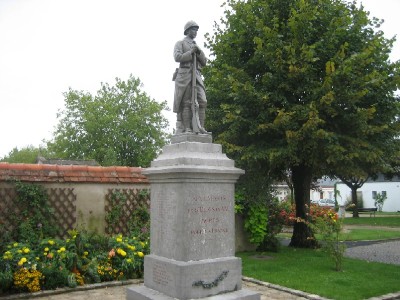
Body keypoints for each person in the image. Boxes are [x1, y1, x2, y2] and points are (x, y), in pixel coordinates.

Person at [173, 20, 208, 134]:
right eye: (193, 29)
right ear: (187, 30)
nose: (195, 32)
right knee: (187, 102)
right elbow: (177, 57)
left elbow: (204, 62)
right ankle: (187, 128)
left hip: (196, 75)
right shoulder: (180, 43)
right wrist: (190, 53)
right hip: (185, 75)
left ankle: (200, 126)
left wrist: (198, 52)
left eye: (197, 30)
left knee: (202, 100)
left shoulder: (196, 46)